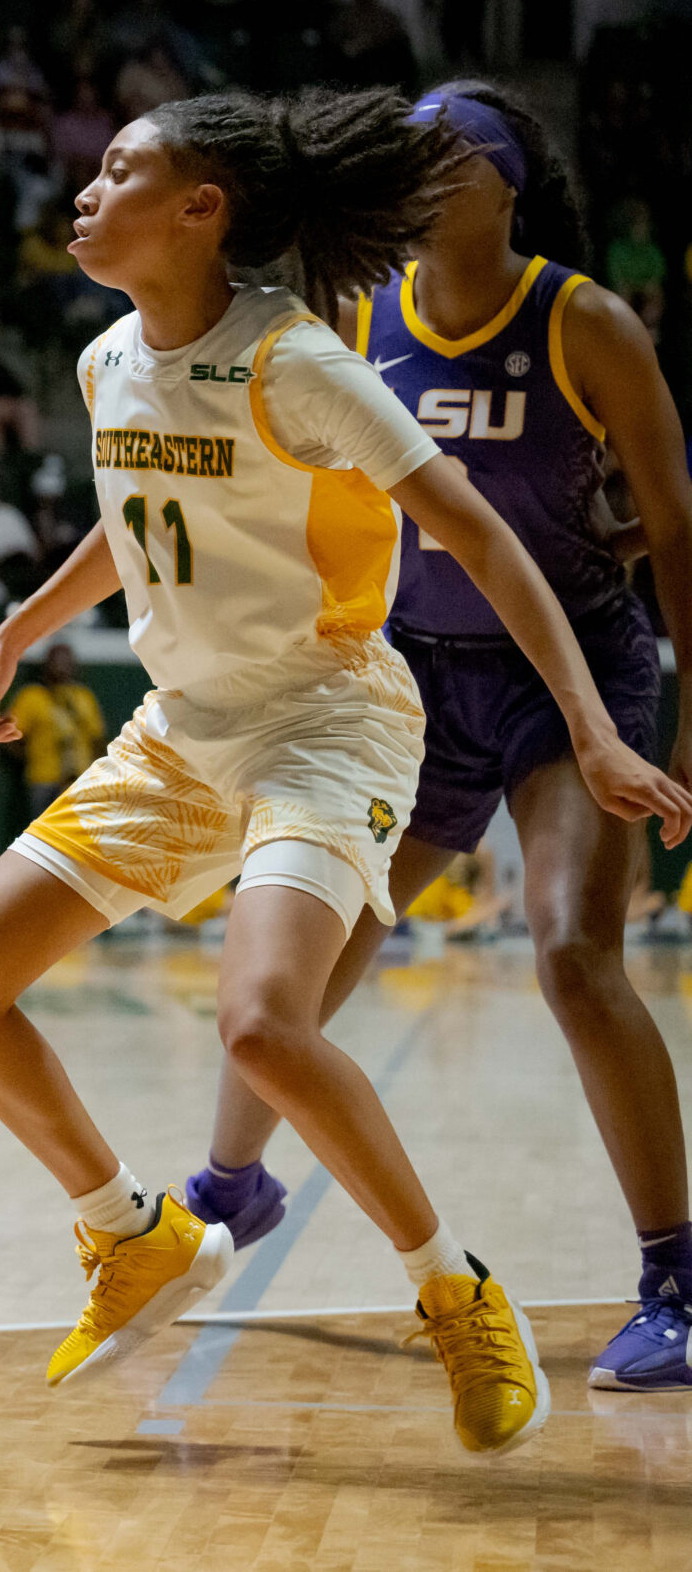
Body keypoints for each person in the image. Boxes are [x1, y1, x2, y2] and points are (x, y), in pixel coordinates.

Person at [0, 87, 692, 1457]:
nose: (86, 193)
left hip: (332, 717)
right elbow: (138, 523)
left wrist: (604, 726)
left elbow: (487, 539)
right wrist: (20, 626)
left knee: (267, 1019)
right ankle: (130, 1232)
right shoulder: (106, 362)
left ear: (203, 209)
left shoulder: (301, 359)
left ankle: (458, 1289)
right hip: (182, 727)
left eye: (120, 171)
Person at [183, 85, 692, 1394]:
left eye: (449, 148)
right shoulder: (358, 315)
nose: (422, 164)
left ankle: (679, 1281)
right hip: (406, 679)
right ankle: (229, 1184)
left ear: (510, 182)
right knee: (301, 952)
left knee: (577, 957)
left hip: (564, 668)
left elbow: (676, 528)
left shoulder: (586, 322)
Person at [4, 641, 104, 815]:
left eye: (67, 662)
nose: (62, 667)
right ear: (47, 665)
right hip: (44, 780)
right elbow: (7, 735)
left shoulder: (84, 697)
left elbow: (97, 739)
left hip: (79, 780)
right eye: (57, 661)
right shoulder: (32, 696)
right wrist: (28, 757)